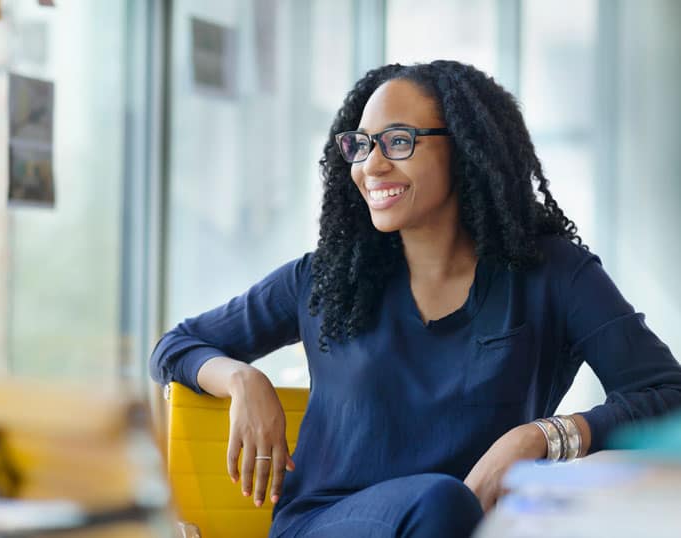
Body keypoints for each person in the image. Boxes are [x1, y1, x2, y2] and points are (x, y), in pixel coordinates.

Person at [149, 60, 681, 537]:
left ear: (469, 151)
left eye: (399, 141)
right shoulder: (327, 278)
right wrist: (243, 378)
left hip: (473, 526)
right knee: (440, 499)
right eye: (360, 145)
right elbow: (176, 345)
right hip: (323, 524)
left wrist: (538, 437)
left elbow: (666, 393)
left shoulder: (553, 275)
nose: (371, 165)